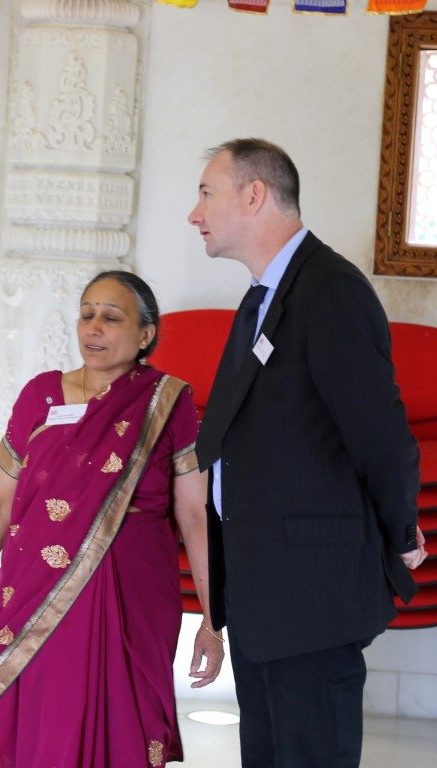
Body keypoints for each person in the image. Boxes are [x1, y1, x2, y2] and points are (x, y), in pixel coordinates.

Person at [188, 138, 428, 768]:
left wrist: (401, 530)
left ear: (254, 195)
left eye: (207, 193)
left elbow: (380, 433)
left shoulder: (329, 290)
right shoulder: (265, 295)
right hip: (262, 592)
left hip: (310, 597)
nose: (195, 213)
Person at [0, 271, 224, 767]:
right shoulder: (40, 396)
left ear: (145, 335)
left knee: (120, 725)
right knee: (34, 723)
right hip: (33, 590)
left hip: (132, 596)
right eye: (86, 315)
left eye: (111, 318)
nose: (93, 328)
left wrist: (213, 623)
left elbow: (195, 517)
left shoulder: (167, 403)